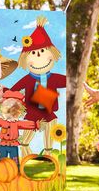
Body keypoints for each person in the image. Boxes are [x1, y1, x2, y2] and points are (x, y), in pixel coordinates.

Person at [10, 16, 66, 156]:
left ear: (52, 55)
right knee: (24, 141)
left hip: (49, 114)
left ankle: (48, 157)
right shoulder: (28, 80)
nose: (39, 57)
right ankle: (26, 158)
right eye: (34, 53)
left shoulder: (54, 78)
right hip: (32, 114)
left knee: (49, 139)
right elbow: (12, 90)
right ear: (26, 59)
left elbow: (70, 82)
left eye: (42, 52)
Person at [0, 90, 43, 171]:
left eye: (12, 116)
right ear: (3, 113)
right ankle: (0, 171)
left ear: (17, 114)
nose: (10, 118)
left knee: (14, 160)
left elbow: (26, 125)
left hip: (13, 144)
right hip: (3, 144)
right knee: (1, 159)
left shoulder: (17, 123)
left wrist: (35, 124)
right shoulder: (1, 121)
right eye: (7, 115)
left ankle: (15, 171)